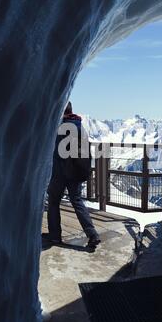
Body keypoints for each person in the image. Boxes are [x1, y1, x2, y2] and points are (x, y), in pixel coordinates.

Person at [46, 102, 101, 250]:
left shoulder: (61, 127)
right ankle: (92, 234)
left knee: (53, 201)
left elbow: (55, 151)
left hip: (61, 172)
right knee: (77, 201)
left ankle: (55, 235)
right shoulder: (80, 126)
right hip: (76, 171)